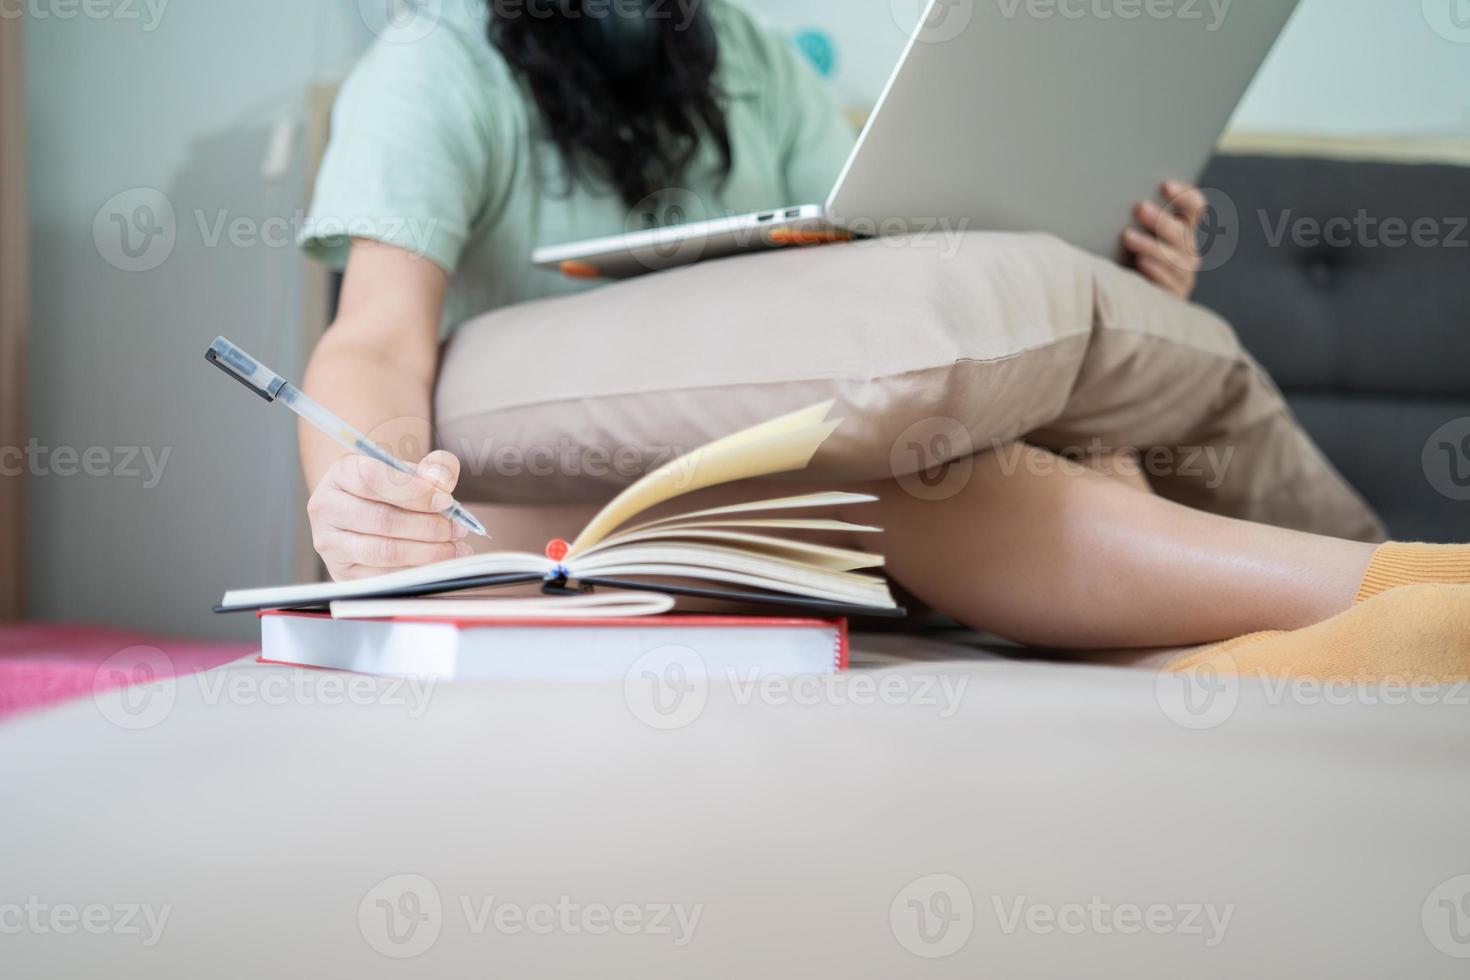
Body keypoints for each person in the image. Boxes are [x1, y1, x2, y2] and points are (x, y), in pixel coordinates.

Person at [296, 0, 1470, 676]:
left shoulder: (740, 58)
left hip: (774, 465)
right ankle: (1376, 593)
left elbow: (884, 262)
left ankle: (1382, 602)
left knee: (920, 453)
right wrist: (370, 490)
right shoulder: (436, 66)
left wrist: (1106, 258)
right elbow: (377, 338)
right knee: (867, 482)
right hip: (541, 500)